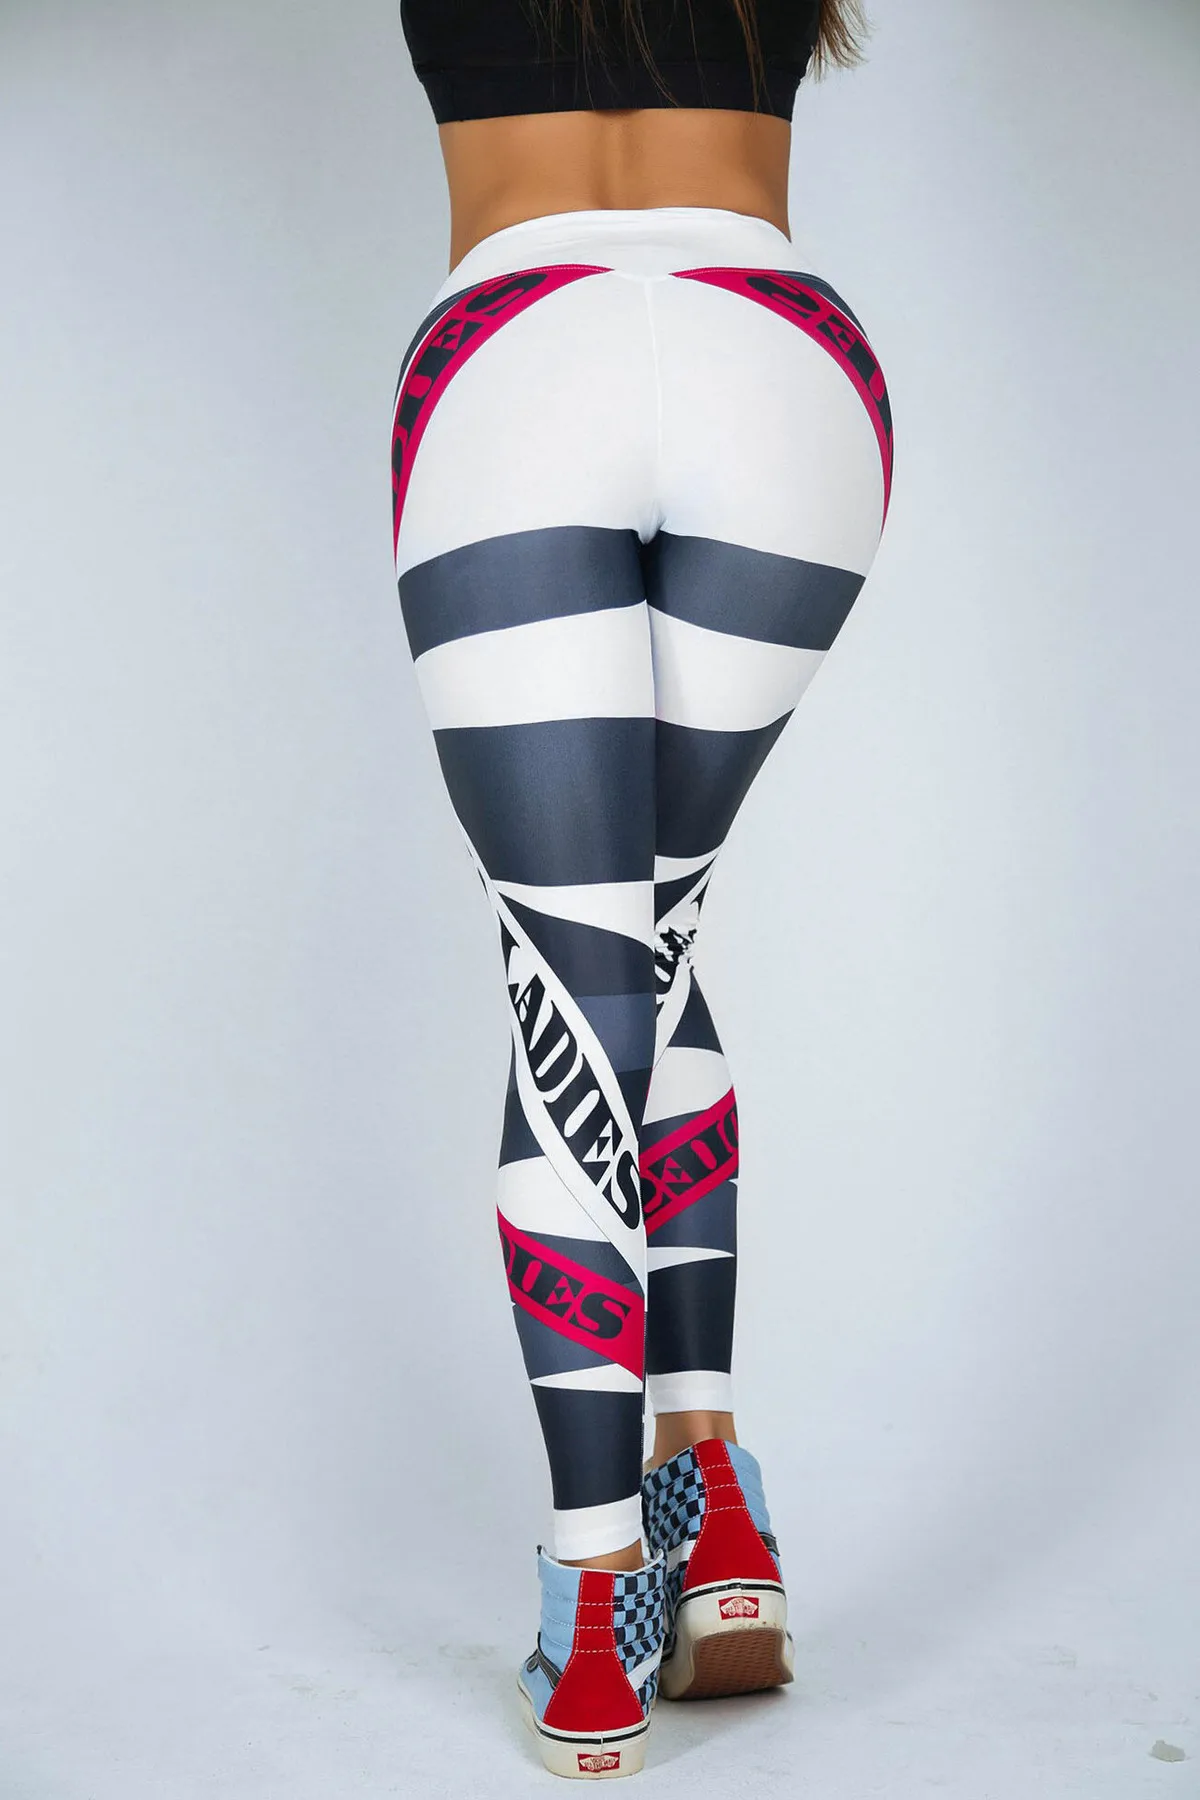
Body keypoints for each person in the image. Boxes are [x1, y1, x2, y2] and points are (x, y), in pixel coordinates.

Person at [392, 0, 890, 1777]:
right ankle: (713, 1499)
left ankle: (593, 1611)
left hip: (518, 354)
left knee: (577, 969)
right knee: (651, 945)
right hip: (783, 355)